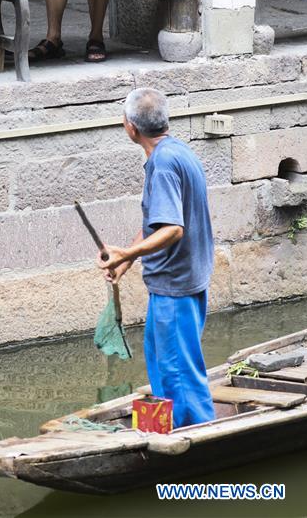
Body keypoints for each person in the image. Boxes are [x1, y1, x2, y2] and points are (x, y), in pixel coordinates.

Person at [96, 88, 216, 429]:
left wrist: (129, 252)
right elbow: (157, 222)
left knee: (178, 373)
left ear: (130, 128)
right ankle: (169, 426)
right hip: (180, 280)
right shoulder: (176, 152)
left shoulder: (163, 164)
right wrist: (127, 261)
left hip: (175, 286)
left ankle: (198, 434)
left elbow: (173, 229)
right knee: (165, 366)